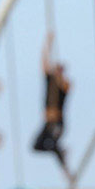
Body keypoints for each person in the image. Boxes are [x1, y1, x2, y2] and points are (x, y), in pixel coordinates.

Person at [32, 31, 72, 166]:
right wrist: (48, 43)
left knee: (54, 142)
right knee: (36, 146)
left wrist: (59, 74)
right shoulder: (50, 80)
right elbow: (43, 61)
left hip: (57, 123)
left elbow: (66, 85)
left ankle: (64, 163)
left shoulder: (64, 85)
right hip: (48, 123)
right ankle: (60, 151)